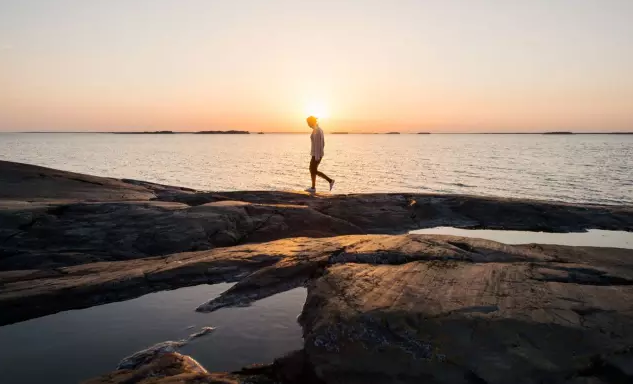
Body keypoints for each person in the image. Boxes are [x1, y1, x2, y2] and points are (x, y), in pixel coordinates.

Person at [305, 116, 335, 193]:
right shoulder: (318, 129)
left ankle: (330, 181)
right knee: (312, 170)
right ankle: (313, 187)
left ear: (311, 122)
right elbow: (323, 143)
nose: (308, 124)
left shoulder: (317, 130)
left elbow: (318, 144)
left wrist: (317, 156)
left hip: (316, 154)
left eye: (308, 123)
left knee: (313, 170)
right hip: (316, 153)